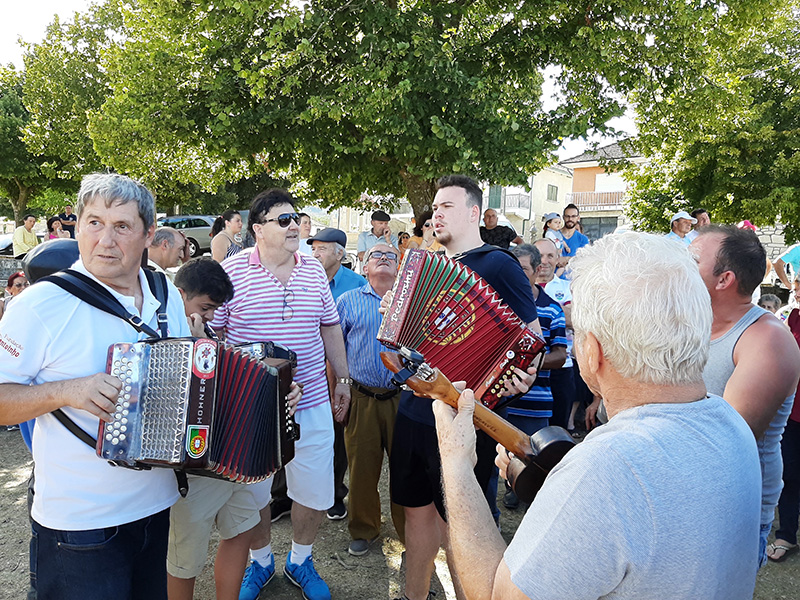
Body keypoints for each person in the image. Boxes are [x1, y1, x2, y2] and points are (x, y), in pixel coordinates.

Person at [434, 231, 762, 600]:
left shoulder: (606, 469)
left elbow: (495, 596)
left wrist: (456, 461)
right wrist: (561, 489)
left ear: (592, 351)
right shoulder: (730, 422)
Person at [0, 172, 192, 600]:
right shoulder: (39, 304)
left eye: (122, 226)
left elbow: (193, 377)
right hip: (79, 523)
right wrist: (66, 391)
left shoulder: (165, 290)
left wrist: (270, 394)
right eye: (94, 222)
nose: (106, 239)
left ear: (148, 234)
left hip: (155, 506)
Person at [390, 175, 539, 600]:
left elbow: (528, 339)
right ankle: (413, 595)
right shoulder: (423, 263)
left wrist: (517, 377)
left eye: (447, 206)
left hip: (464, 418)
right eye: (435, 207)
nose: (436, 213)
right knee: (416, 516)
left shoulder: (498, 263)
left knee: (462, 522)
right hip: (414, 410)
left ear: (474, 212)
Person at [210, 189, 350, 600]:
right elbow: (214, 336)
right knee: (253, 491)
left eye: (296, 218)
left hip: (311, 404)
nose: (294, 226)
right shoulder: (232, 272)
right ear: (257, 229)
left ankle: (301, 559)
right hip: (250, 410)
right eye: (283, 220)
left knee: (316, 489)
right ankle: (261, 561)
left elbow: (329, 326)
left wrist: (342, 379)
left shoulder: (311, 269)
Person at [167, 256, 303, 600]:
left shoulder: (207, 334)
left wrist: (281, 394)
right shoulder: (163, 336)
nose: (211, 315)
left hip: (233, 465)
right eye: (206, 306)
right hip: (191, 471)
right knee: (185, 559)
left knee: (241, 531)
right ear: (180, 294)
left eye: (215, 309)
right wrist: (194, 348)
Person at [691, 225, 800, 567]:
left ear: (723, 279)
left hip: (729, 504)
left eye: (691, 260)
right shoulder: (691, 324)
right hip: (684, 486)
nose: (677, 266)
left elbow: (726, 437)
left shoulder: (767, 339)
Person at [336, 243, 405, 556]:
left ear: (399, 267)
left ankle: (408, 529)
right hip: (361, 396)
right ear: (363, 266)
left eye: (391, 256)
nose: (384, 260)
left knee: (406, 469)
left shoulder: (412, 303)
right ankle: (364, 529)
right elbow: (334, 353)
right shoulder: (347, 302)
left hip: (403, 398)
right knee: (361, 468)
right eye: (376, 255)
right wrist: (339, 391)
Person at [533, 238, 576, 432]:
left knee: (558, 432)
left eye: (550, 255)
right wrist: (559, 312)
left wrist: (547, 311)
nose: (544, 260)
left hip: (562, 369)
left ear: (558, 259)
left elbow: (576, 320)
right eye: (540, 255)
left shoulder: (569, 288)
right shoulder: (520, 289)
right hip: (530, 371)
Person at [769, 307, 800, 562]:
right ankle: (787, 534)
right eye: (798, 284)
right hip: (794, 413)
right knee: (788, 474)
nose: (797, 292)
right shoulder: (793, 318)